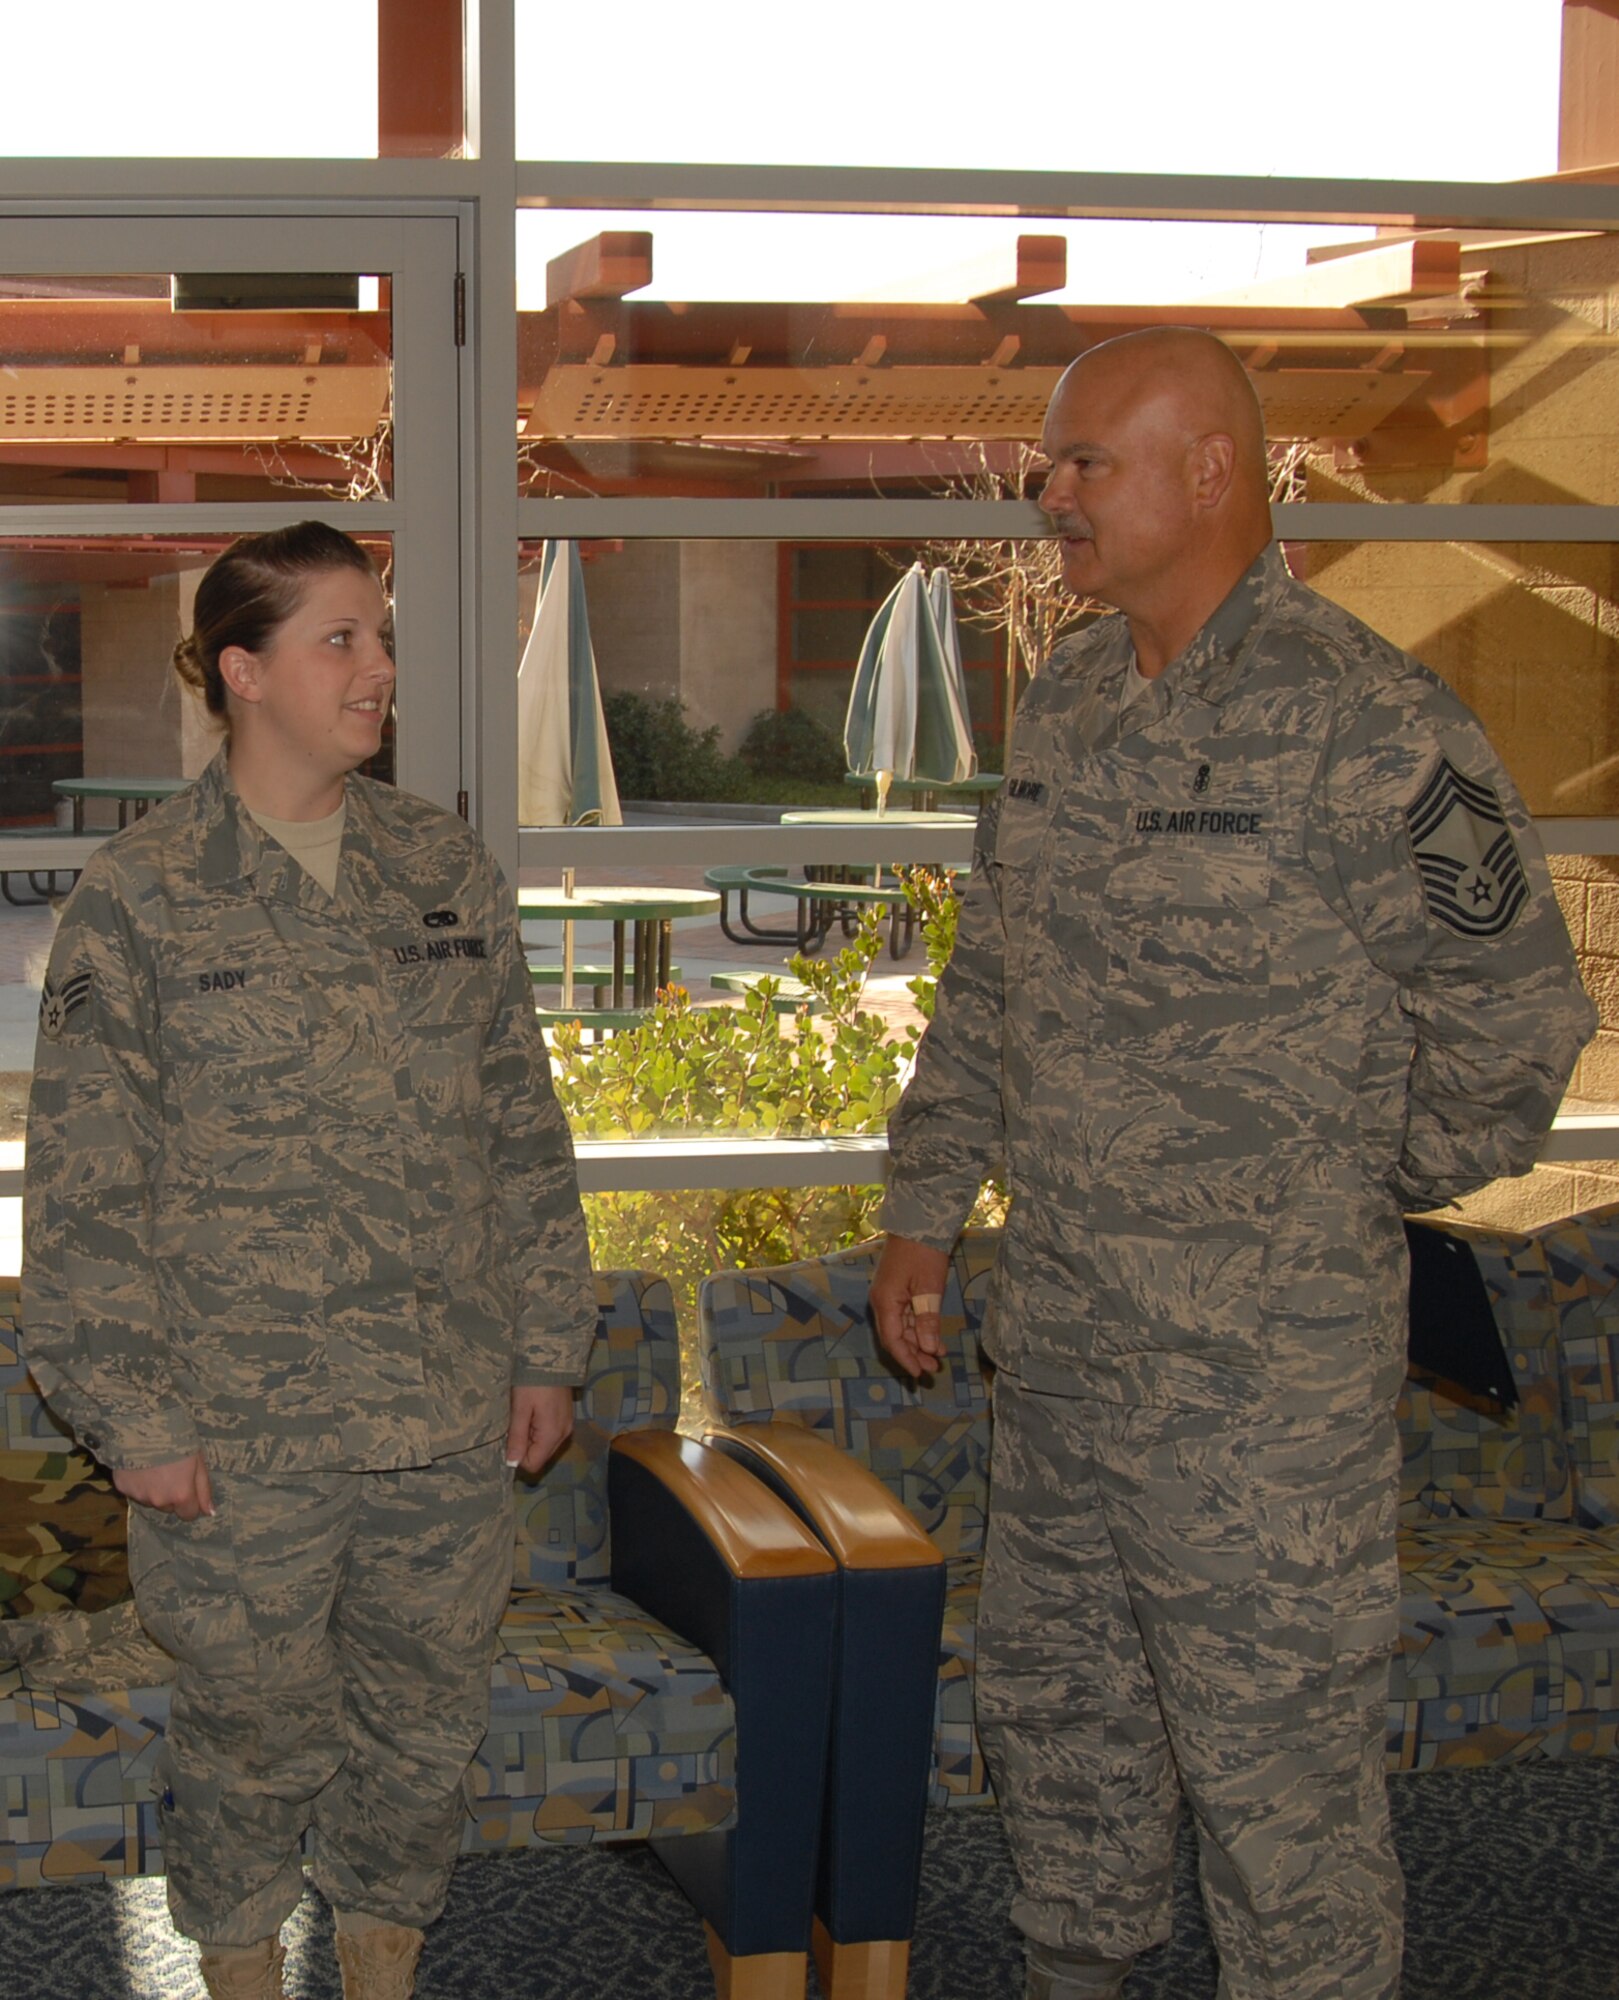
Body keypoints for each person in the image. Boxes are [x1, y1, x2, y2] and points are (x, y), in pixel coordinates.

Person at [871, 328, 1595, 2000]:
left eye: (1082, 463)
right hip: (1060, 1367)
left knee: (1282, 1806)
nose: (1048, 495)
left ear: (1211, 472)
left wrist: (1337, 1183)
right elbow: (997, 981)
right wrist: (926, 1207)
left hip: (1258, 1403)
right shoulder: (1063, 700)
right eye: (1051, 465)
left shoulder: (1373, 725)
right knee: (1063, 1745)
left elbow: (1515, 1020)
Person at [22, 522, 598, 2000]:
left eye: (381, 637)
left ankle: (383, 1968)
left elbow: (520, 1126)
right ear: (243, 671)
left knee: (422, 1722)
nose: (380, 670)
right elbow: (84, 1193)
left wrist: (548, 1345)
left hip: (441, 1411)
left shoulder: (438, 866)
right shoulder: (141, 898)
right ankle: (240, 1973)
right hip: (241, 1434)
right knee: (250, 1733)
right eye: (341, 639)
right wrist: (135, 1425)